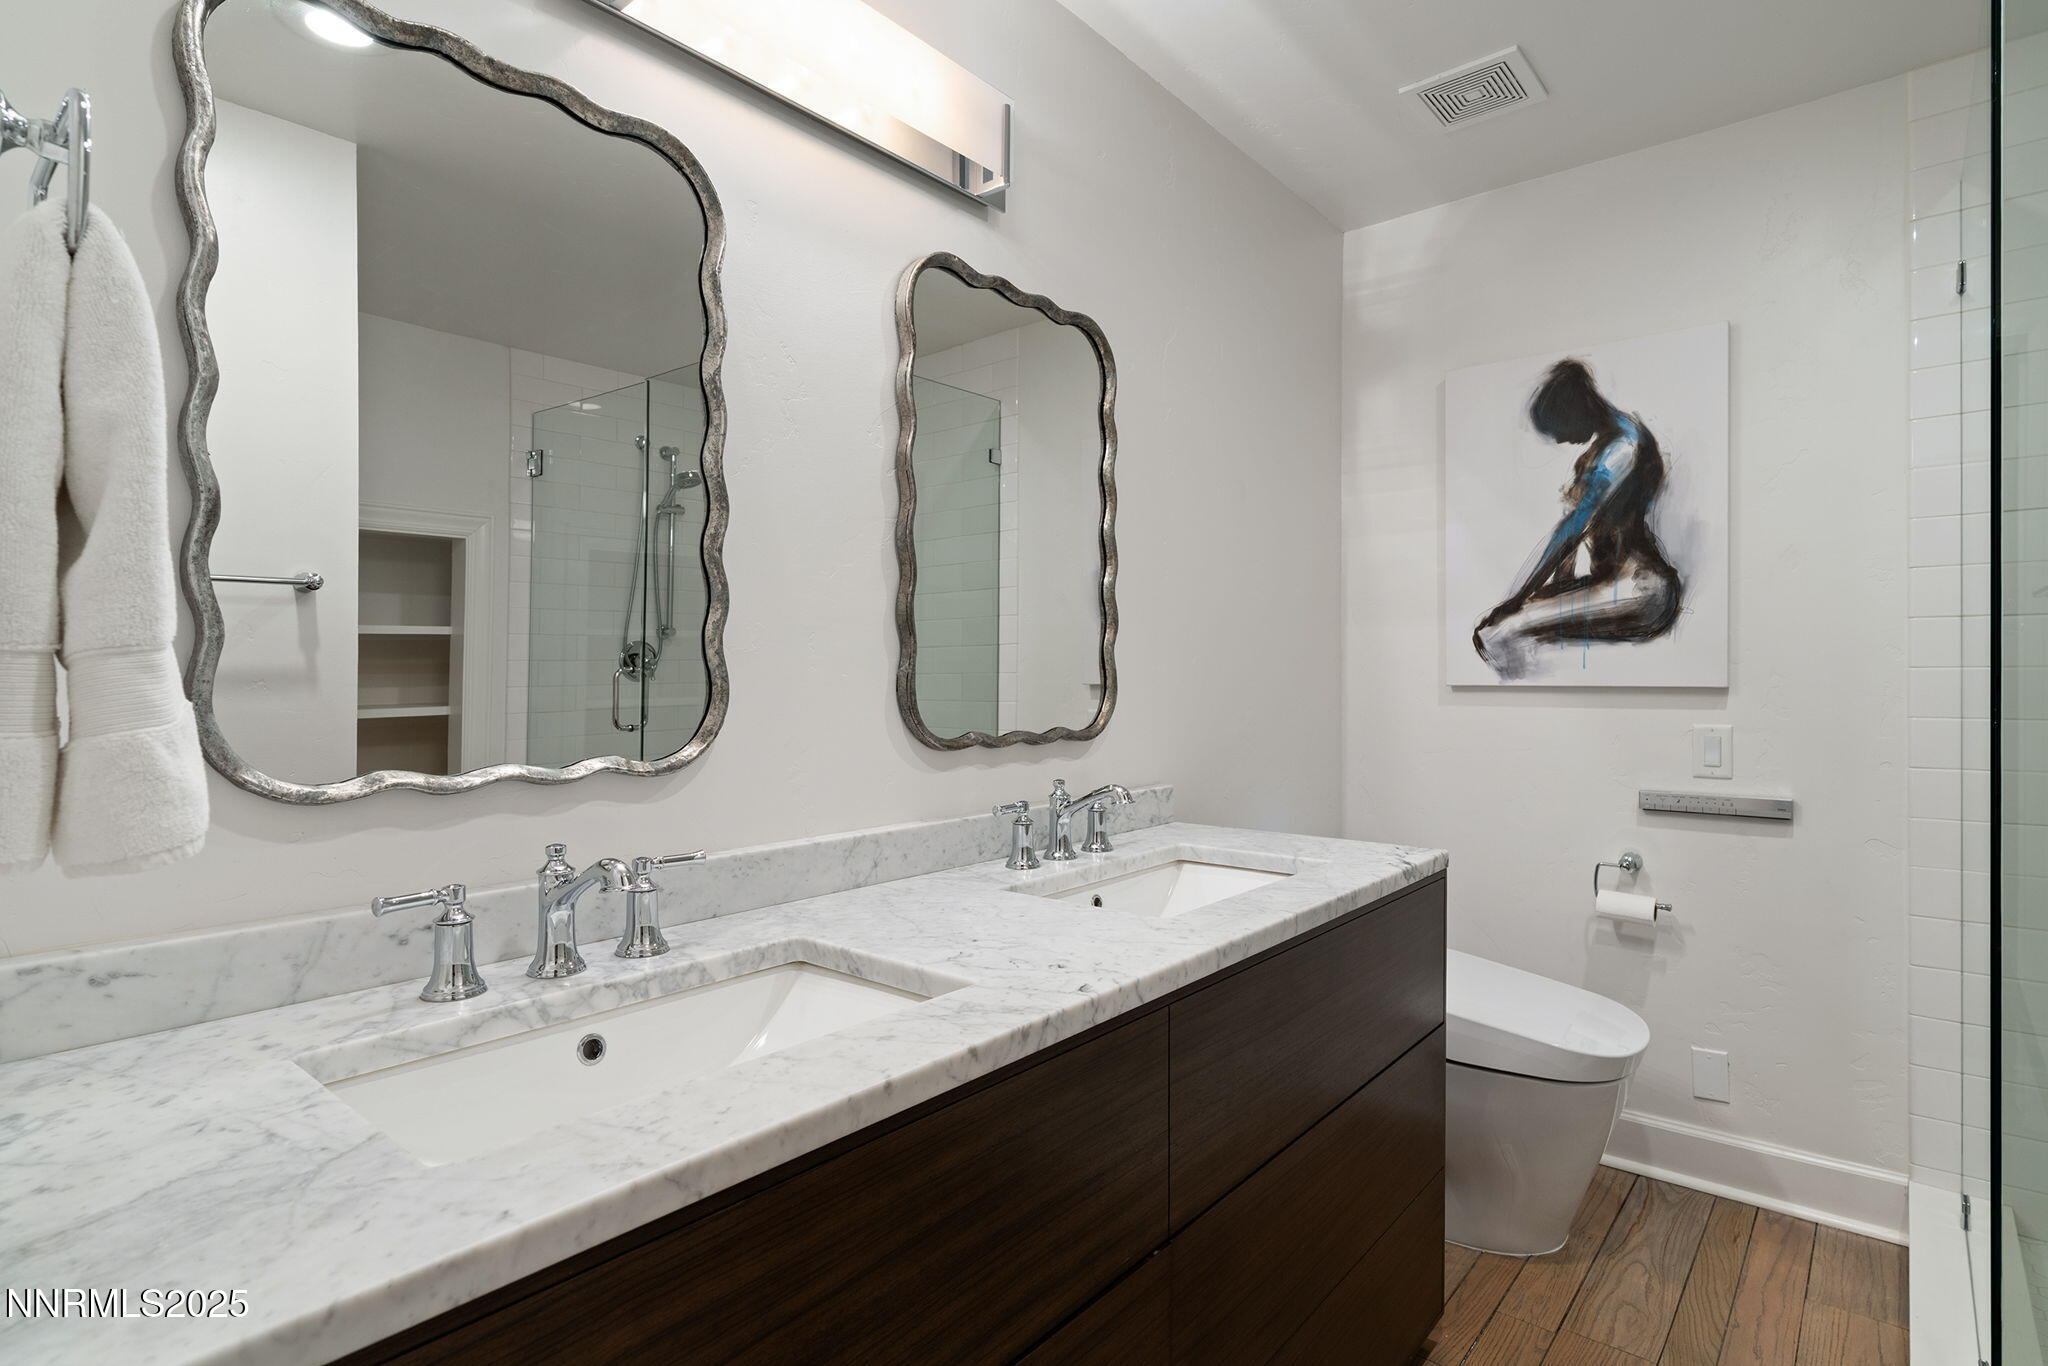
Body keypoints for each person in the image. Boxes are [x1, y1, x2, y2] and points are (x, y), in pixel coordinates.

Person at [1473, 359, 1682, 679]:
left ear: (1575, 410)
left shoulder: (1624, 448)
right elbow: (1571, 542)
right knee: (1493, 629)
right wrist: (1541, 593)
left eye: (1560, 429)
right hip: (1609, 585)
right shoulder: (1603, 448)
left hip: (1640, 590)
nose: (1560, 440)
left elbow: (1571, 531)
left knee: (1502, 633)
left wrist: (1517, 599)